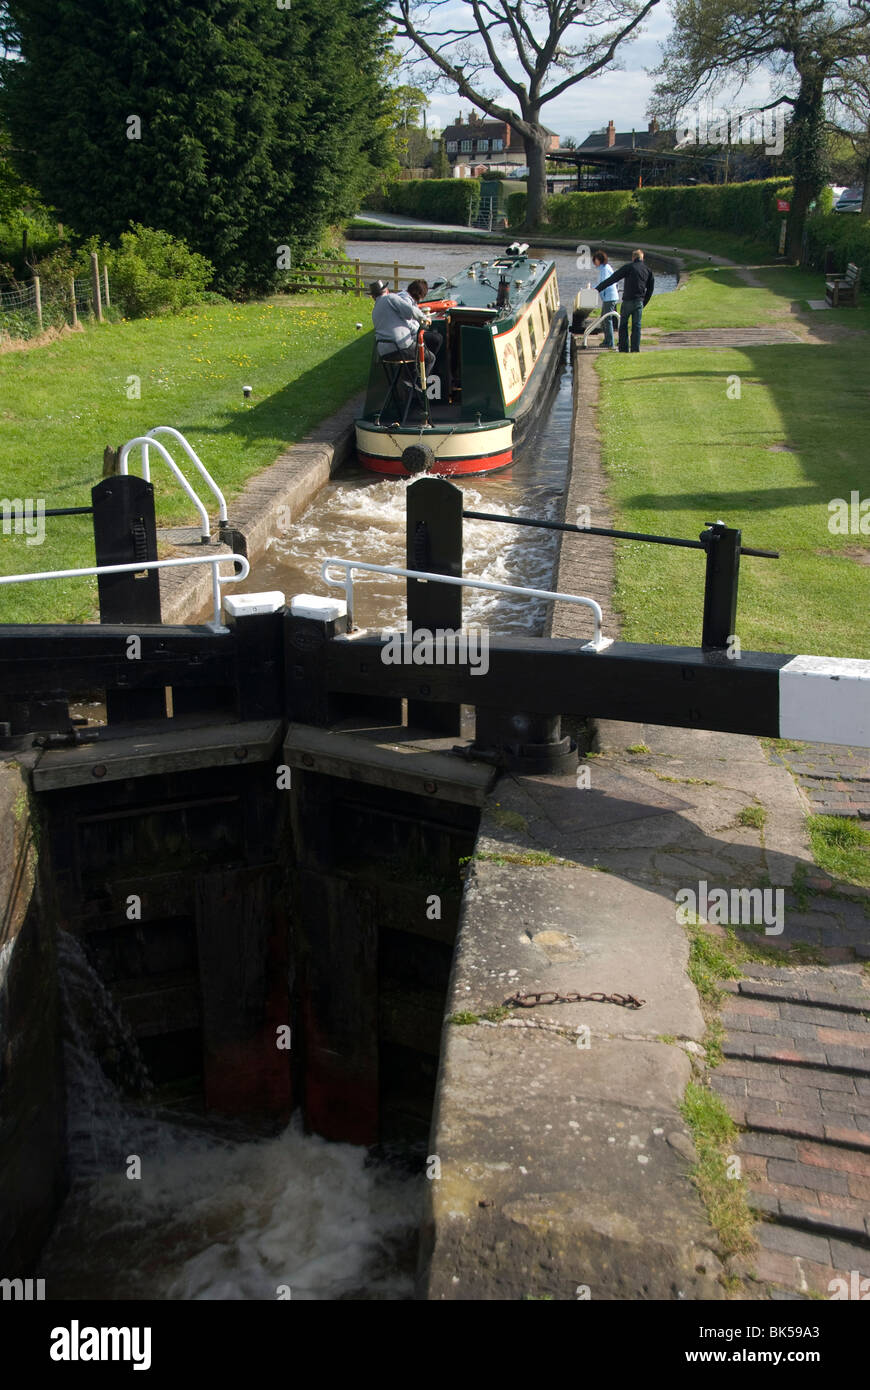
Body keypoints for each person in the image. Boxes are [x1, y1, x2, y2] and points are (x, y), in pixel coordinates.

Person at [369, 279, 440, 387]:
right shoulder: (390, 297)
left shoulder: (375, 310)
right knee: (430, 358)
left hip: (384, 353)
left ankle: (409, 380)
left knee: (418, 348)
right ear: (386, 290)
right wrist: (424, 318)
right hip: (400, 348)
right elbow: (409, 311)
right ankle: (419, 387)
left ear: (373, 296)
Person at [596, 249, 656, 353]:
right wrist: (644, 302)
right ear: (642, 258)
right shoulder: (648, 270)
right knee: (636, 326)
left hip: (628, 301)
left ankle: (623, 348)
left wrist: (597, 289)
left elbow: (613, 279)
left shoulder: (629, 267)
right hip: (639, 301)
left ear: (633, 258)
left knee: (623, 325)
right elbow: (650, 289)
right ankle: (635, 349)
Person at [592, 250, 619, 350]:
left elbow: (604, 283)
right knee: (604, 318)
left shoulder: (605, 269)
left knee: (607, 319)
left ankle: (610, 342)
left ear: (599, 260)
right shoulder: (604, 269)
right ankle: (607, 340)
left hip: (610, 297)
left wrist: (595, 289)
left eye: (595, 260)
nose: (594, 263)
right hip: (608, 297)